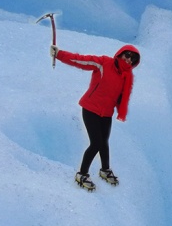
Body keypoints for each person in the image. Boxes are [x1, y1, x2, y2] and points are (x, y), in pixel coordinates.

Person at [52, 43, 140, 191]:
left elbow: (120, 97)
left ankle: (105, 170)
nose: (129, 60)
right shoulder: (104, 63)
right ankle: (82, 174)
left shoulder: (126, 76)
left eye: (133, 59)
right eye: (128, 55)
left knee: (104, 142)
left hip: (106, 113)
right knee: (96, 143)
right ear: (120, 54)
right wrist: (59, 54)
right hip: (90, 109)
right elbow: (80, 60)